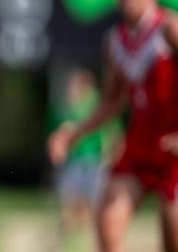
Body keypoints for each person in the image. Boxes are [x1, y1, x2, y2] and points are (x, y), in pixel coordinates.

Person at [48, 0, 178, 252]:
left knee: (173, 230)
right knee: (108, 223)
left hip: (174, 147)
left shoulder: (169, 29)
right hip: (140, 144)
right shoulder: (114, 41)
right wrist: (74, 134)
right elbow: (112, 101)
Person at [49, 68, 122, 250]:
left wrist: (112, 154)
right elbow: (59, 132)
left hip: (95, 161)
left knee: (94, 205)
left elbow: (111, 130)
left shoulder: (98, 102)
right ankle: (63, 239)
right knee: (69, 201)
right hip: (75, 161)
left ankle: (93, 239)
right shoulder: (66, 105)